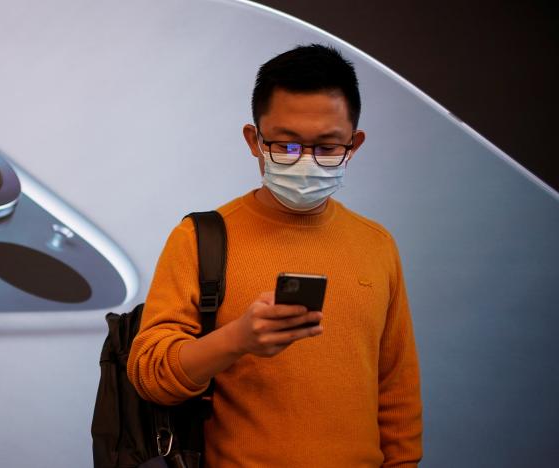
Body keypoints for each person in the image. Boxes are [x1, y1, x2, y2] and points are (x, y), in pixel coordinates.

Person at [127, 44, 423, 467]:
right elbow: (150, 376)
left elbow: (397, 391)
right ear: (254, 140)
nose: (305, 162)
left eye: (327, 147)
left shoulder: (377, 244)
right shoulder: (199, 237)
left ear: (353, 144)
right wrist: (237, 339)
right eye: (285, 146)